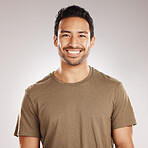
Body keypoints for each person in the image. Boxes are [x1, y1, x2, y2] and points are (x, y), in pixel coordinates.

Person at [14, 5, 137, 148]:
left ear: (92, 41)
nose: (73, 43)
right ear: (55, 40)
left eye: (81, 35)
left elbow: (124, 144)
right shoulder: (33, 95)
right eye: (66, 35)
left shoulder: (114, 89)